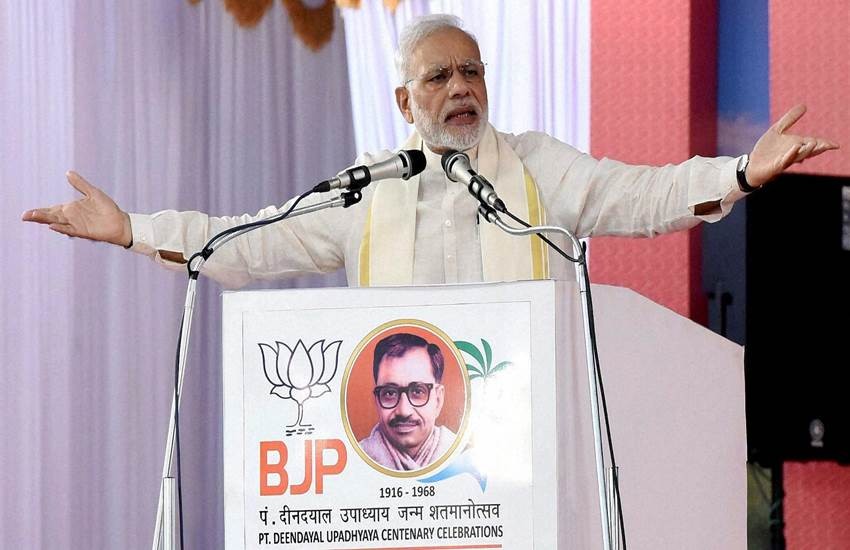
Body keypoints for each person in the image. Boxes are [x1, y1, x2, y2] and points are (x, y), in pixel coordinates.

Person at [21, 15, 838, 288]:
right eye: (439, 76)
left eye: (471, 71)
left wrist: (739, 171)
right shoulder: (369, 189)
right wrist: (133, 230)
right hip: (405, 474)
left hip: (526, 444)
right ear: (404, 101)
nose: (460, 87)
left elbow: (643, 196)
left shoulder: (535, 165)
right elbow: (251, 241)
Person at [358, 333, 455, 471]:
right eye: (390, 393)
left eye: (418, 391)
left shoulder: (463, 456)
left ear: (438, 400)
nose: (404, 411)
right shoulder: (355, 461)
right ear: (377, 402)